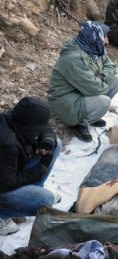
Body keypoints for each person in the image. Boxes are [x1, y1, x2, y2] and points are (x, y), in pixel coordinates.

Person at [48, 21, 118, 142]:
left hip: (84, 89)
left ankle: (89, 114)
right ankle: (78, 122)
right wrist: (101, 80)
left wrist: (101, 78)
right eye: (105, 37)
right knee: (104, 102)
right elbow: (95, 89)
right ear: (95, 36)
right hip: (66, 101)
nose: (107, 41)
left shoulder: (94, 45)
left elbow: (111, 66)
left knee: (116, 80)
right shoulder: (73, 59)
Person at [0, 97, 61, 235]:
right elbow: (6, 183)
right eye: (37, 129)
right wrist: (39, 170)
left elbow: (45, 127)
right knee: (44, 200)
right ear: (29, 128)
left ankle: (31, 192)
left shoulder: (15, 118)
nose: (39, 130)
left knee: (55, 145)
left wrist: (47, 139)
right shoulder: (6, 143)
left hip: (8, 170)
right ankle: (2, 216)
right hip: (3, 184)